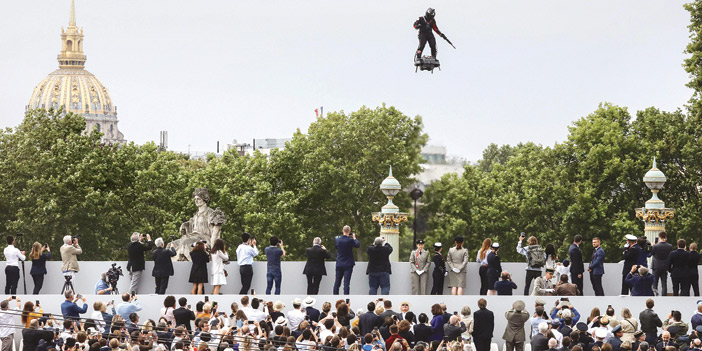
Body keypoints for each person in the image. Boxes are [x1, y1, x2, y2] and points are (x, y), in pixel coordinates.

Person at [333, 225, 360, 295]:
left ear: (342, 231)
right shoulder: (350, 240)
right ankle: (346, 300)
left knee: (337, 282)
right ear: (349, 231)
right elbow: (357, 245)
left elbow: (336, 247)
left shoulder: (337, 240)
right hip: (348, 264)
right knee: (346, 283)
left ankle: (335, 297)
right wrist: (354, 238)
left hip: (339, 263)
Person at [651, 231, 673, 296]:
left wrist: (653, 245)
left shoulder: (655, 246)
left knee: (654, 283)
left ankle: (655, 296)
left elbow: (652, 253)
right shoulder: (669, 246)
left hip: (656, 266)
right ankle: (664, 296)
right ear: (665, 237)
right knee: (664, 284)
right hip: (665, 266)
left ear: (659, 237)